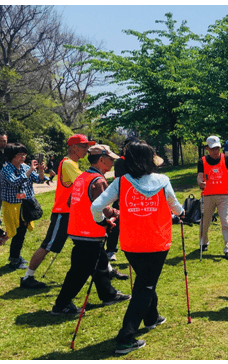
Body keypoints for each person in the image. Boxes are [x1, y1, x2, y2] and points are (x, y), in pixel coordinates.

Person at [91, 141, 184, 355]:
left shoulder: (121, 182)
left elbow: (96, 206)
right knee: (145, 286)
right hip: (157, 241)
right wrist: (181, 214)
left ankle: (152, 317)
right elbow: (175, 206)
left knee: (145, 279)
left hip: (131, 243)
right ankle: (126, 337)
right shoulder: (162, 180)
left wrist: (101, 221)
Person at [51, 144, 130, 313]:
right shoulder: (98, 180)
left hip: (78, 229)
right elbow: (104, 208)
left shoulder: (82, 177)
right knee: (80, 271)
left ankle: (108, 295)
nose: (112, 164)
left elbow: (70, 202)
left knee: (100, 263)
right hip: (90, 232)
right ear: (101, 160)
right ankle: (62, 304)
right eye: (110, 160)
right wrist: (120, 212)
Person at [20, 134, 95, 288]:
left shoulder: (73, 164)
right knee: (48, 245)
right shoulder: (68, 164)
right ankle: (28, 277)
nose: (87, 150)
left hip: (72, 213)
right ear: (74, 148)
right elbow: (85, 183)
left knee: (90, 243)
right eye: (84, 146)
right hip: (63, 213)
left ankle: (105, 271)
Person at [0, 143, 50, 270]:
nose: (23, 157)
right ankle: (14, 260)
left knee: (21, 232)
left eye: (24, 154)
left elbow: (39, 180)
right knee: (16, 233)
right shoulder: (6, 169)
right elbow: (15, 182)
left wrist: (41, 171)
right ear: (12, 156)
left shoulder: (25, 167)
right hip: (12, 206)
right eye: (19, 155)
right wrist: (31, 170)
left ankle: (15, 257)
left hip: (25, 204)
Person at [198, 136, 228, 260]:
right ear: (207, 148)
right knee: (205, 222)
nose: (216, 151)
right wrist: (200, 183)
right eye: (213, 149)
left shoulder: (227, 159)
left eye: (218, 148)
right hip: (207, 195)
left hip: (224, 195)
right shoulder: (202, 161)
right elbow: (199, 177)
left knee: (226, 222)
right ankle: (204, 242)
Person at [105, 136, 140, 263]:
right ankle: (110, 250)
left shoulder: (140, 161)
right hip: (121, 197)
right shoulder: (120, 162)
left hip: (137, 198)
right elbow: (124, 178)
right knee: (115, 224)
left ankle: (137, 248)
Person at [0, 128, 9, 243]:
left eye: (5, 141)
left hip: (6, 186)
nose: (3, 143)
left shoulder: (8, 152)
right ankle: (0, 233)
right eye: (1, 141)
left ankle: (1, 233)